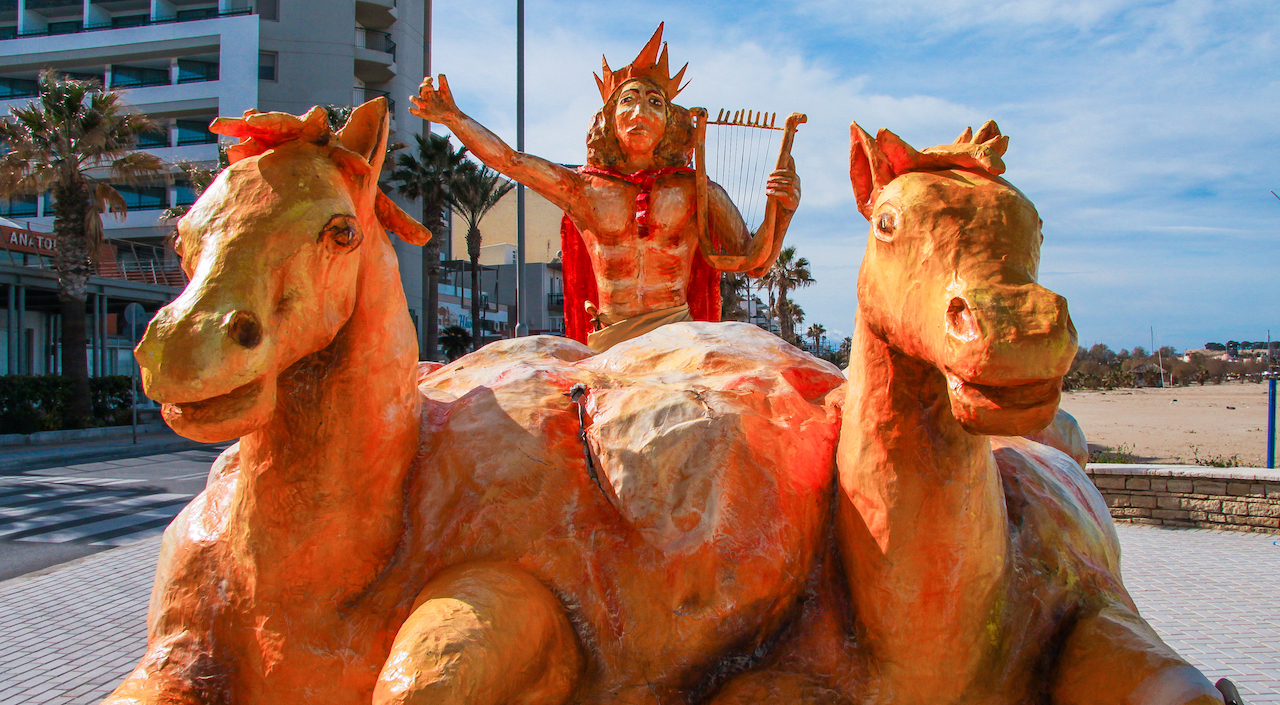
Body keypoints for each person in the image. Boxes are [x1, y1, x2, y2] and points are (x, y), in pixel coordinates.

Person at [410, 24, 800, 352]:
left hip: (682, 337)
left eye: (654, 102)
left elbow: (754, 261)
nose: (640, 112)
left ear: (671, 121)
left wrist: (781, 212)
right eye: (627, 101)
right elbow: (510, 161)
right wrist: (454, 119)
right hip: (610, 340)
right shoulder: (582, 188)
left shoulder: (696, 189)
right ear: (608, 120)